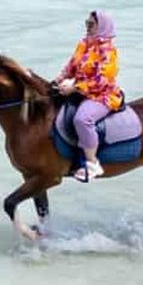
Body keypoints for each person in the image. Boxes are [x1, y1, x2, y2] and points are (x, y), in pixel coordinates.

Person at [54, 10, 124, 182]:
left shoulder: (108, 51)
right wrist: (58, 80)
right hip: (79, 91)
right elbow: (70, 66)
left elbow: (102, 80)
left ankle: (93, 163)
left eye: (91, 24)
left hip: (102, 96)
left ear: (102, 27)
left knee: (82, 119)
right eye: (86, 23)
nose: (87, 27)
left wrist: (75, 88)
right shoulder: (84, 44)